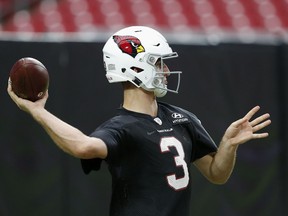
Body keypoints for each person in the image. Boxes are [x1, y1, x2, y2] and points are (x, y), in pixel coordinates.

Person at [7, 26, 271, 216]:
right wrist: (37, 110)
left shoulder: (182, 118)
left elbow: (217, 174)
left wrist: (228, 145)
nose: (166, 70)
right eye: (158, 63)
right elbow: (84, 147)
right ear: (133, 67)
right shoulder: (121, 127)